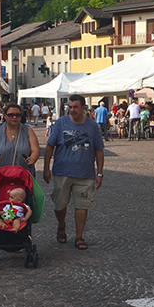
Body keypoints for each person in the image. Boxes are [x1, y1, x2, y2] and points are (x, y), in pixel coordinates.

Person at [44, 94, 104, 251]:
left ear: (84, 108)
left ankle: (79, 236)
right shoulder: (61, 123)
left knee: (82, 206)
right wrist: (46, 168)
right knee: (59, 205)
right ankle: (61, 226)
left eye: (75, 107)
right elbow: (50, 146)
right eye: (70, 107)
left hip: (84, 174)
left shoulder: (92, 126)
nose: (72, 110)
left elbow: (99, 150)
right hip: (62, 172)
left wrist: (100, 173)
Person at [0, 102, 40, 176]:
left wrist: (32, 158)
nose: (14, 117)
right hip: (0, 176)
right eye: (11, 115)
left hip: (23, 176)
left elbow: (35, 150)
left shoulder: (28, 131)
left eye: (18, 115)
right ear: (4, 116)